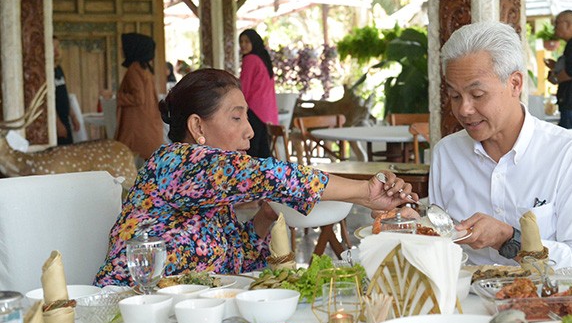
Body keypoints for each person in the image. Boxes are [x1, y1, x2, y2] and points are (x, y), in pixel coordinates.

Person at [94, 68, 415, 286]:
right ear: (197, 127)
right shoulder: (174, 164)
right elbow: (272, 175)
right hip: (127, 311)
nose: (249, 131)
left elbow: (236, 256)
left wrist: (264, 217)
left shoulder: (207, 188)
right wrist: (365, 191)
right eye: (236, 117)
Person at [430, 21, 572, 268]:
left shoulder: (567, 154)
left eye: (477, 95)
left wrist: (509, 239)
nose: (464, 110)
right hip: (462, 299)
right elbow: (439, 248)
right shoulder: (447, 153)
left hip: (541, 299)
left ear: (515, 84)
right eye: (455, 96)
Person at [116, 32, 164, 161]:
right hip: (146, 121)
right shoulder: (145, 69)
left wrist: (119, 96)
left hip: (137, 123)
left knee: (127, 156)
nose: (121, 50)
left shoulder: (134, 69)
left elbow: (138, 98)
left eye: (124, 47)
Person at [239, 29, 278, 159]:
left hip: (254, 109)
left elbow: (244, 86)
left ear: (254, 42)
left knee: (252, 150)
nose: (243, 45)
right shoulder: (263, 59)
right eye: (241, 42)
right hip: (266, 111)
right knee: (264, 150)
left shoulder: (250, 59)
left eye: (247, 41)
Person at [53, 36, 80, 145]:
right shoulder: (45, 71)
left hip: (65, 119)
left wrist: (73, 116)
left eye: (58, 46)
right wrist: (57, 124)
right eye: (52, 47)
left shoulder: (58, 69)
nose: (56, 50)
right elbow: (47, 102)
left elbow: (64, 94)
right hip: (56, 121)